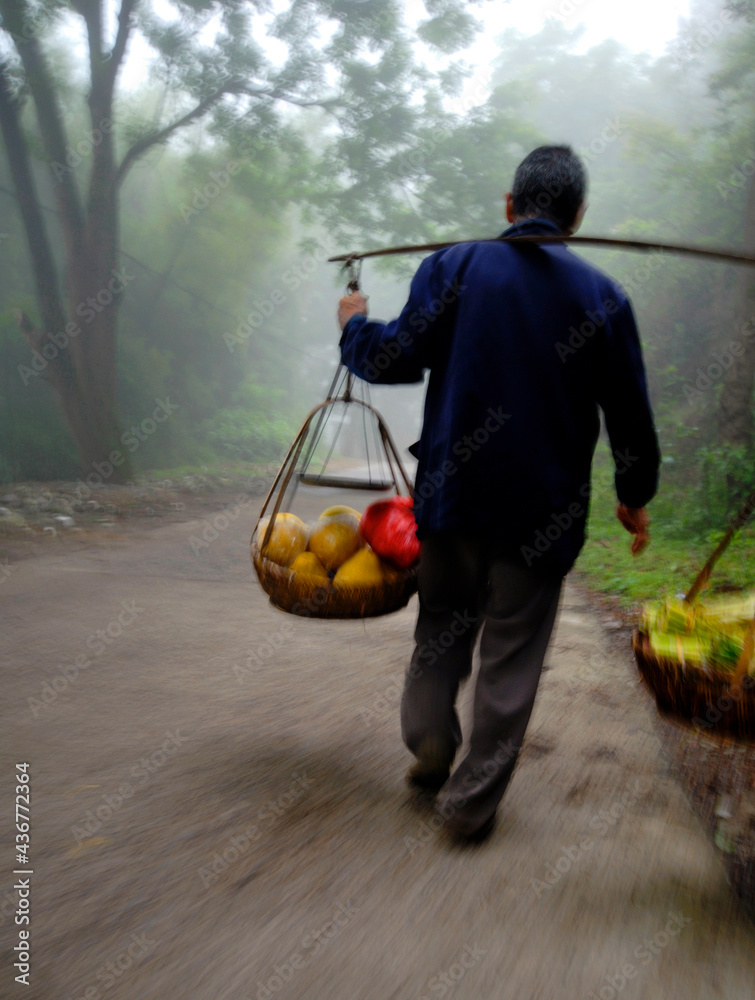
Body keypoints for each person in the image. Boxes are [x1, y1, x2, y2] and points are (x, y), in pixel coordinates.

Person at [336, 145, 661, 842]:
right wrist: (635, 492)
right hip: (540, 515)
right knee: (510, 659)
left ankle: (428, 738)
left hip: (453, 501)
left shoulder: (453, 268)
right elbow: (628, 413)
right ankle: (468, 808)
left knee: (441, 628)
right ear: (576, 217)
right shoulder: (602, 299)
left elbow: (390, 359)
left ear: (509, 207)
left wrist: (353, 327)